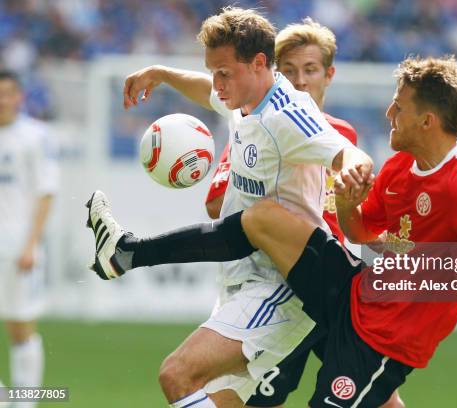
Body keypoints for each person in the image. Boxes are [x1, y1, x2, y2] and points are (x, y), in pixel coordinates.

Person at [87, 55, 457, 406]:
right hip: (353, 293)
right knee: (264, 218)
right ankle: (128, 253)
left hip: (383, 343)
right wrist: (348, 207)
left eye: (400, 107)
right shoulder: (397, 168)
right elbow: (362, 232)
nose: (389, 112)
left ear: (429, 120)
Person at [105, 7, 372, 407]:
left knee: (178, 375)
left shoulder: (290, 113)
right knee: (227, 401)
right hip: (242, 278)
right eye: (213, 71)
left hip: (281, 283)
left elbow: (348, 152)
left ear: (259, 63)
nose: (217, 83)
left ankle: (127, 253)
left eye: (224, 72)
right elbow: (205, 90)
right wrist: (162, 73)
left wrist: (355, 170)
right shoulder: (244, 95)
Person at [203, 18, 404, 408]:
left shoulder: (341, 134)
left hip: (330, 282)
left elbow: (353, 214)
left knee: (380, 399)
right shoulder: (263, 123)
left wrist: (388, 245)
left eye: (310, 70)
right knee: (247, 400)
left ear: (329, 74)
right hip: (283, 282)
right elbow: (215, 202)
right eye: (289, 70)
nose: (300, 80)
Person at [0, 70, 58, 408]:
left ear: (19, 96)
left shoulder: (36, 137)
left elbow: (46, 193)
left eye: (8, 93)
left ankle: (24, 402)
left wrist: (31, 244)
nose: (2, 100)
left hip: (18, 247)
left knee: (20, 326)